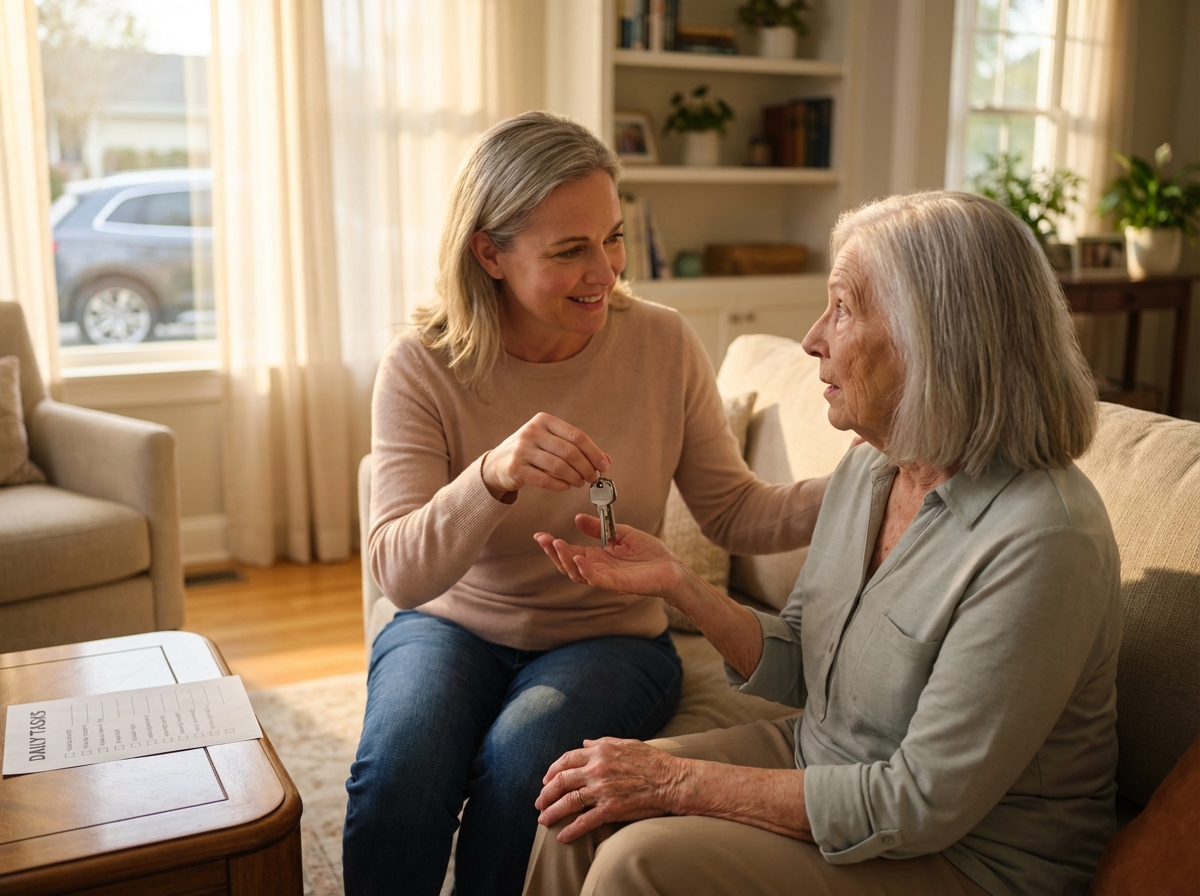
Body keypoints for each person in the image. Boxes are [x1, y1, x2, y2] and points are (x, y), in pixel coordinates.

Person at [526, 191, 1120, 896]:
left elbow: (918, 803)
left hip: (972, 858)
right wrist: (677, 582)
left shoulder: (1044, 541)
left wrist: (675, 781)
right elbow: (807, 664)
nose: (812, 338)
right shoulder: (875, 467)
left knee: (637, 861)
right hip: (824, 757)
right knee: (579, 803)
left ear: (934, 338)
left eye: (841, 308)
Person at [342, 111, 830, 896]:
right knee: (398, 774)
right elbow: (399, 575)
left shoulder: (663, 343)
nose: (603, 270)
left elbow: (734, 512)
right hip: (451, 625)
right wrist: (492, 475)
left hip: (610, 640)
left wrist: (860, 487)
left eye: (613, 237)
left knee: (524, 777)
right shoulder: (421, 364)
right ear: (489, 253)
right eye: (570, 250)